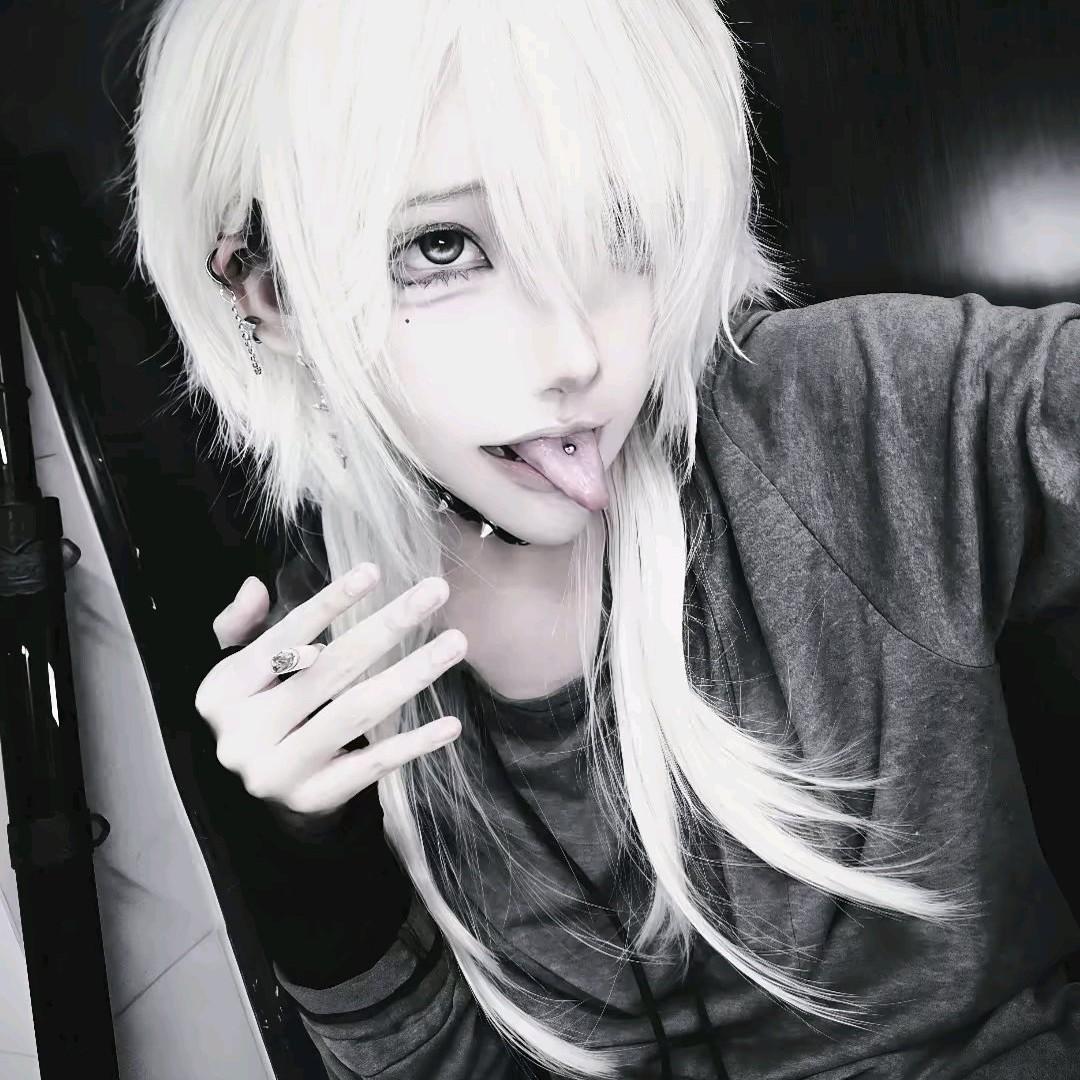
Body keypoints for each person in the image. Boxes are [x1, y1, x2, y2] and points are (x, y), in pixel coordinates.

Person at [119, 1, 1080, 1076]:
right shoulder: (330, 657)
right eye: (443, 247)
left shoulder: (843, 411)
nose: (576, 353)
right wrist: (312, 859)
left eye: (617, 225)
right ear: (271, 297)